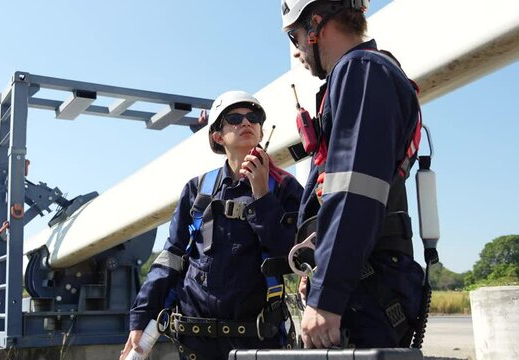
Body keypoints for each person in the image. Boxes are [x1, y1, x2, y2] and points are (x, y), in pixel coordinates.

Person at [280, 0, 425, 349]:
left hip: (367, 293)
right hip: (362, 284)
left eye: (295, 36)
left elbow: (354, 193)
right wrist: (318, 266)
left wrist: (327, 294)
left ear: (315, 25)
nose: (298, 51)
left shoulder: (360, 71)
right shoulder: (358, 76)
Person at [119, 90, 304, 360]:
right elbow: (171, 257)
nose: (246, 122)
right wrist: (141, 316)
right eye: (234, 118)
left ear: (261, 132)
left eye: (253, 117)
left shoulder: (284, 187)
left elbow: (293, 255)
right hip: (196, 343)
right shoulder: (197, 191)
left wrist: (262, 197)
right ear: (218, 136)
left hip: (257, 341)